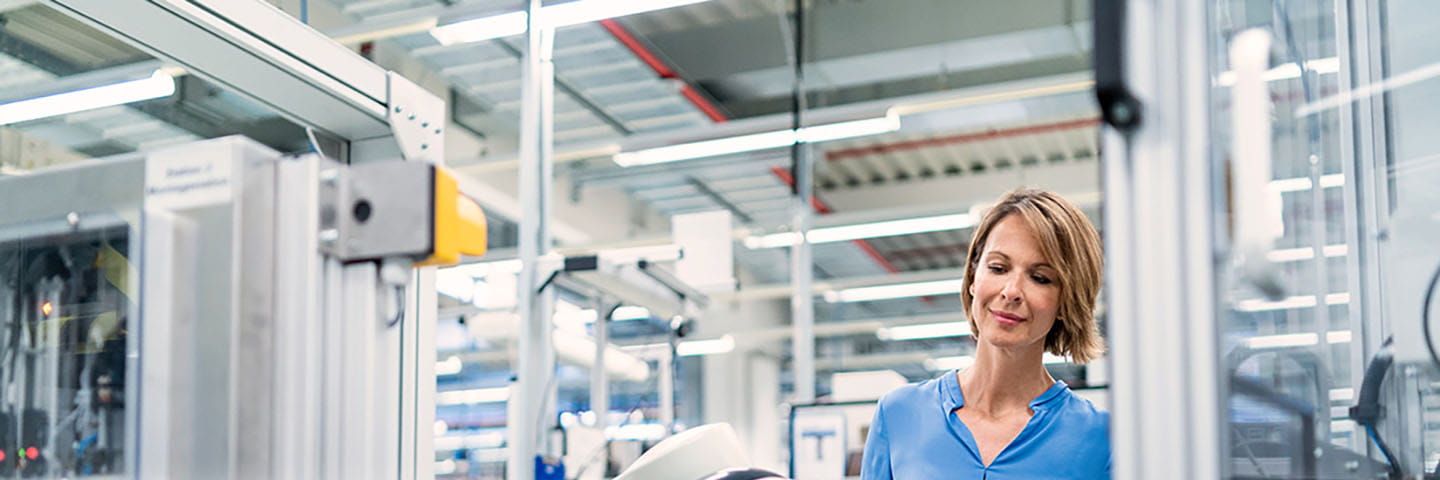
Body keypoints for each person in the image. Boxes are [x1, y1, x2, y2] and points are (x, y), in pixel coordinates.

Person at [860, 188, 1110, 479]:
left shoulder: (1100, 440)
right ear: (973, 278)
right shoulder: (899, 414)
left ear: (1067, 302)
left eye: (1040, 278)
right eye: (998, 267)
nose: (1011, 291)